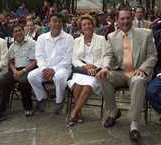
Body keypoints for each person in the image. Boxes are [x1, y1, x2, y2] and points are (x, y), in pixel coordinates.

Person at [96, 7, 157, 142]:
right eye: (122, 19)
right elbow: (108, 55)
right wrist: (105, 67)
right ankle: (113, 112)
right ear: (117, 21)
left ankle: (134, 124)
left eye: (128, 18)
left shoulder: (146, 33)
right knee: (103, 76)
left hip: (137, 71)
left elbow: (152, 56)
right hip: (120, 72)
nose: (125, 21)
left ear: (132, 18)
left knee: (138, 81)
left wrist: (143, 68)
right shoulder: (112, 36)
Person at [0, 24, 37, 125]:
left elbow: (34, 62)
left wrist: (23, 71)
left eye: (19, 30)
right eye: (15, 31)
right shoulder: (12, 46)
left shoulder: (32, 43)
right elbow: (10, 61)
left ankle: (28, 107)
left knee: (23, 81)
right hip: (15, 70)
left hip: (29, 69)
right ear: (13, 34)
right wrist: (14, 71)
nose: (18, 33)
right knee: (2, 81)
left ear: (23, 31)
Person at [28, 13, 74, 114]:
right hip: (45, 68)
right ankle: (42, 97)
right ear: (49, 23)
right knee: (31, 76)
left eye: (59, 22)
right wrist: (44, 68)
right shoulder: (41, 38)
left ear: (62, 24)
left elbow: (68, 59)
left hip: (63, 68)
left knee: (59, 77)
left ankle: (59, 100)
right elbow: (39, 56)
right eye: (54, 21)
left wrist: (54, 69)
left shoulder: (69, 38)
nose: (57, 24)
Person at [67, 15, 108, 126]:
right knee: (77, 85)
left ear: (93, 25)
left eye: (89, 24)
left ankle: (74, 112)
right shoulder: (77, 41)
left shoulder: (101, 39)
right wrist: (85, 66)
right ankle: (79, 113)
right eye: (84, 25)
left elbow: (105, 57)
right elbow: (74, 59)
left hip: (95, 71)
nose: (87, 26)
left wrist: (94, 66)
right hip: (81, 70)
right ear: (81, 27)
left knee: (87, 86)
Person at [147, 22, 161, 114]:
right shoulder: (157, 33)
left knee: (150, 91)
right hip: (155, 71)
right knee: (142, 88)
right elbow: (152, 55)